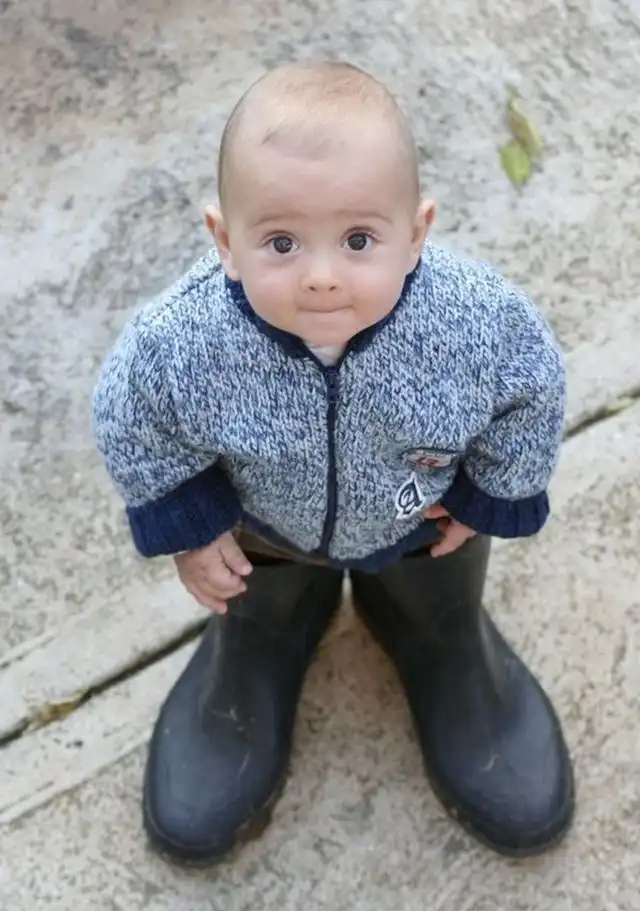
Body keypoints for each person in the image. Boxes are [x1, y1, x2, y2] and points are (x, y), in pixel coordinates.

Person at [93, 59, 574, 866]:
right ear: (225, 240)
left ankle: (438, 632)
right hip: (264, 532)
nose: (321, 278)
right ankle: (263, 639)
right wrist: (191, 520)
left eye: (358, 240)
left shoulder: (475, 323)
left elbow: (532, 385)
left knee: (434, 579)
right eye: (281, 242)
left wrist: (491, 493)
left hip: (419, 518)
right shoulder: (181, 342)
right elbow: (132, 413)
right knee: (259, 589)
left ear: (416, 232)